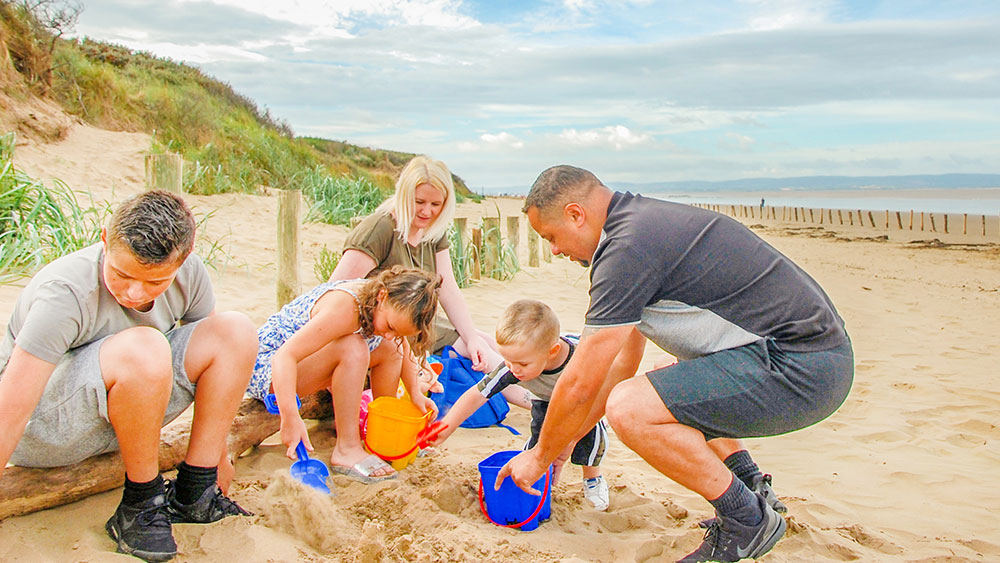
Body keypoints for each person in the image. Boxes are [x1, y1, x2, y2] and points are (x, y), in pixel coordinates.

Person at [497, 166, 853, 563]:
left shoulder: (625, 249)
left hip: (803, 367)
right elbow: (619, 367)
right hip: (811, 357)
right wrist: (562, 445)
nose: (555, 251)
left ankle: (745, 519)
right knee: (665, 387)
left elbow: (581, 380)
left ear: (576, 214)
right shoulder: (639, 226)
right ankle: (752, 486)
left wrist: (538, 456)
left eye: (551, 237)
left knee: (630, 407)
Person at [0, 191, 257, 562]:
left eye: (154, 283)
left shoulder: (191, 275)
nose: (134, 293)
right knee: (147, 347)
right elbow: (11, 407)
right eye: (121, 274)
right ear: (105, 240)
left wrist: (217, 453)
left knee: (236, 330)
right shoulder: (64, 292)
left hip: (132, 408)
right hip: (45, 425)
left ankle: (194, 494)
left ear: (182, 262)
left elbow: (215, 361)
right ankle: (141, 503)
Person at [329, 155, 529, 406]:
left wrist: (471, 336)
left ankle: (540, 392)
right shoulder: (380, 229)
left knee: (484, 340)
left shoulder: (433, 230)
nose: (427, 211)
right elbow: (333, 290)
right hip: (388, 329)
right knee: (481, 352)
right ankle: (537, 404)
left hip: (419, 322)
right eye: (419, 202)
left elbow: (447, 289)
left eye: (436, 204)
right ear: (403, 196)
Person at [246, 266, 440, 484]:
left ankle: (381, 433)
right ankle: (347, 448)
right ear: (382, 295)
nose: (389, 334)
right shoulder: (346, 309)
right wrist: (290, 416)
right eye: (389, 326)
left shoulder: (380, 306)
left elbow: (401, 345)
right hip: (267, 369)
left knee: (389, 346)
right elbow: (284, 357)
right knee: (353, 348)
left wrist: (415, 393)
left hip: (304, 361)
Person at [429, 299, 611, 511]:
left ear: (552, 352)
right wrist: (447, 426)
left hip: (585, 401)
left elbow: (604, 391)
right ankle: (540, 483)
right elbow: (479, 393)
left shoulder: (580, 358)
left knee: (591, 440)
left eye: (522, 364)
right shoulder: (514, 365)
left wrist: (574, 435)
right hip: (546, 401)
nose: (514, 369)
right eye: (507, 360)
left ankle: (592, 479)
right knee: (537, 442)